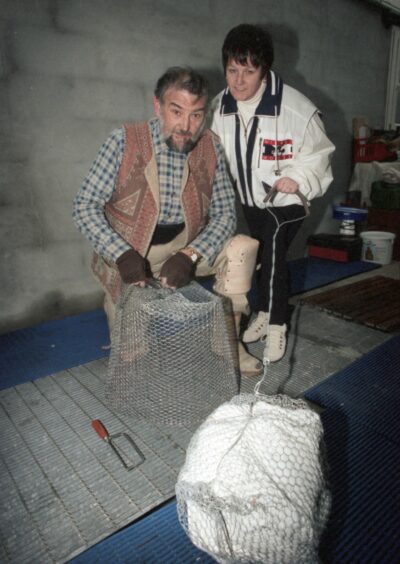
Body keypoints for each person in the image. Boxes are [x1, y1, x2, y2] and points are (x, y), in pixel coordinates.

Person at [73, 66, 262, 376]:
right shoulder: (123, 140)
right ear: (157, 106)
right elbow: (84, 206)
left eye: (196, 115)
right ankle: (132, 343)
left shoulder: (210, 146)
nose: (186, 126)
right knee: (133, 361)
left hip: (184, 248)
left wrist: (191, 254)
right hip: (130, 252)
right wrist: (120, 253)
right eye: (176, 112)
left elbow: (226, 215)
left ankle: (226, 341)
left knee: (241, 248)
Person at [211, 24, 335, 362]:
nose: (238, 81)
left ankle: (277, 323)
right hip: (252, 201)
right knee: (262, 253)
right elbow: (212, 150)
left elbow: (320, 153)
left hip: (290, 199)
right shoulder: (219, 107)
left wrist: (297, 176)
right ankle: (263, 311)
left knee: (276, 248)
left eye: (248, 72)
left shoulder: (296, 108)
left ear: (263, 70)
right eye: (232, 71)